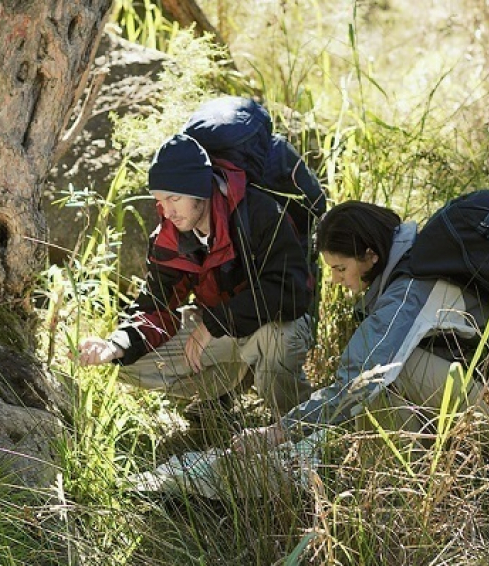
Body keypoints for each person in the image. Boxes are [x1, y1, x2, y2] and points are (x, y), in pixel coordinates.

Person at [234, 200, 489, 450]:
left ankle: (409, 485)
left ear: (371, 256)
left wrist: (279, 431)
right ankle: (422, 467)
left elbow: (356, 383)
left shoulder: (409, 292)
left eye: (340, 267)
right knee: (389, 370)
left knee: (382, 375)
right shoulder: (422, 256)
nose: (334, 280)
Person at [75, 134, 314, 416]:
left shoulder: (259, 214)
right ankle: (221, 396)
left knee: (278, 336)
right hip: (216, 330)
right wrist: (115, 345)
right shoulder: (169, 236)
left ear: (201, 190)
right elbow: (157, 306)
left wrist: (214, 324)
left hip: (266, 325)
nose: (168, 211)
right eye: (160, 200)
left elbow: (292, 291)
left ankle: (296, 423)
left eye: (175, 198)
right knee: (130, 364)